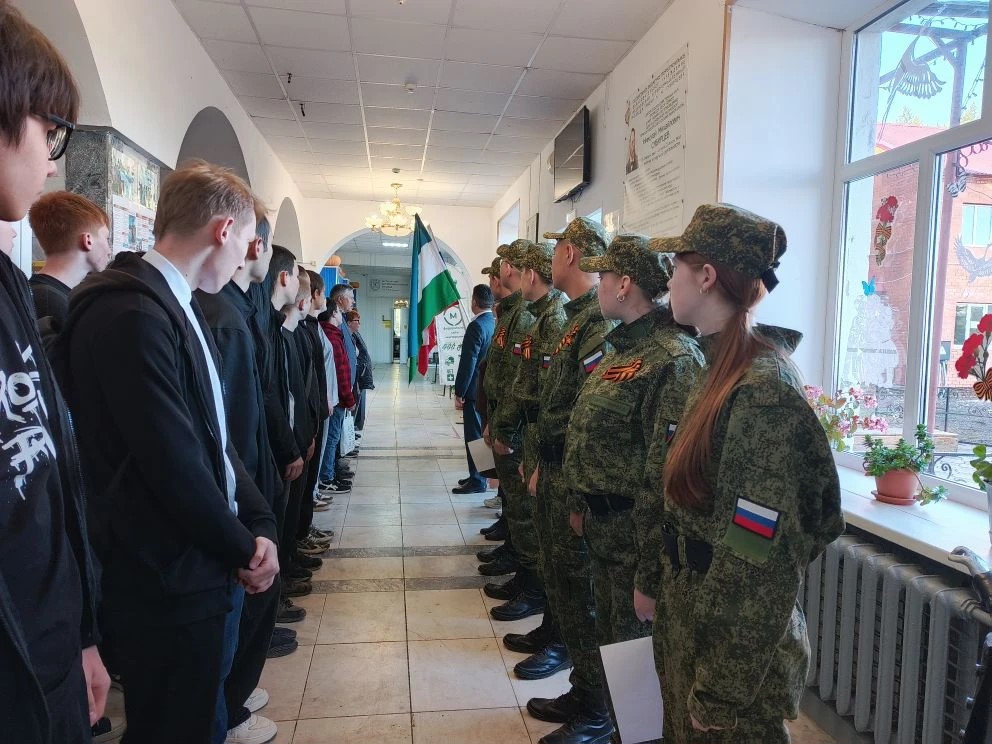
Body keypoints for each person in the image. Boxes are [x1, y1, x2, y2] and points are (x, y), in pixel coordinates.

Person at [57, 161, 280, 744]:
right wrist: (242, 546)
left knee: (201, 718)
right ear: (223, 230)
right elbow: (172, 463)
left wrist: (258, 520)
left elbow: (213, 436)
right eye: (246, 241)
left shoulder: (175, 303)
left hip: (197, 564)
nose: (245, 258)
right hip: (167, 575)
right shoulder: (132, 313)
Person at [649, 204, 844, 743]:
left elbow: (757, 560)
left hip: (730, 657)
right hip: (694, 624)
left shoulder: (762, 393)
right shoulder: (718, 369)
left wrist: (721, 689)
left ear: (706, 276)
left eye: (675, 267)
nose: (668, 281)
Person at [0, 6, 108, 743]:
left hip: (51, 652)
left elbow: (46, 468)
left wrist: (82, 634)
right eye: (51, 131)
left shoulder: (11, 288)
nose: (50, 161)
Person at [563, 235, 705, 744]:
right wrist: (580, 501)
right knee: (614, 648)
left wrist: (649, 572)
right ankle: (613, 726)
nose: (597, 285)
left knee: (636, 659)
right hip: (604, 529)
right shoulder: (621, 349)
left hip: (634, 540)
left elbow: (664, 478)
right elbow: (590, 433)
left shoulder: (673, 359)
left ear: (624, 285)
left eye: (603, 277)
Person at [195, 212, 288, 744]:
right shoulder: (226, 316)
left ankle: (231, 697)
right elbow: (233, 421)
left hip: (249, 480)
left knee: (243, 613)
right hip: (240, 485)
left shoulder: (234, 309)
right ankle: (229, 706)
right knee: (237, 609)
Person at [525, 217, 615, 744]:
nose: (551, 257)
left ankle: (597, 705)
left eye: (557, 248)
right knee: (563, 582)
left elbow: (587, 416)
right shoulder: (575, 320)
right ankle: (584, 688)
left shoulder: (595, 326)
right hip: (557, 467)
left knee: (581, 593)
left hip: (577, 476)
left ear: (571, 254)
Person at [481, 239, 541, 620]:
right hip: (505, 422)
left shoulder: (525, 316)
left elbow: (522, 382)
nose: (499, 271)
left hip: (517, 432)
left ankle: (530, 586)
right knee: (516, 512)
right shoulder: (512, 313)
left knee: (523, 514)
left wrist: (506, 427)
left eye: (503, 265)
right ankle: (522, 573)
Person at [28, 190, 112, 327]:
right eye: (106, 238)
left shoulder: (42, 294)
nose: (109, 251)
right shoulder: (50, 303)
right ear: (88, 240)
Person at [453, 284, 495, 494]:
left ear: (474, 302)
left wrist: (459, 391)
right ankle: (478, 476)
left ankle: (478, 480)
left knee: (475, 436)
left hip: (474, 391)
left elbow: (468, 362)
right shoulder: (493, 322)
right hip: (487, 388)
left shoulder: (476, 326)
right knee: (480, 435)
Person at [318, 302, 357, 494]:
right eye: (340, 312)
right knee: (331, 438)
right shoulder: (332, 338)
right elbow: (340, 373)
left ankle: (330, 472)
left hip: (336, 397)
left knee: (332, 438)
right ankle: (326, 477)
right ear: (334, 313)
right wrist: (349, 399)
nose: (343, 315)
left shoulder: (331, 334)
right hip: (337, 399)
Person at [345, 309, 373, 434]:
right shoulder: (348, 337)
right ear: (349, 323)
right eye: (357, 321)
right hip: (356, 374)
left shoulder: (356, 334)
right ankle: (351, 428)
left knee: (359, 400)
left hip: (361, 373)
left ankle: (355, 426)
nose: (359, 323)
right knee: (354, 402)